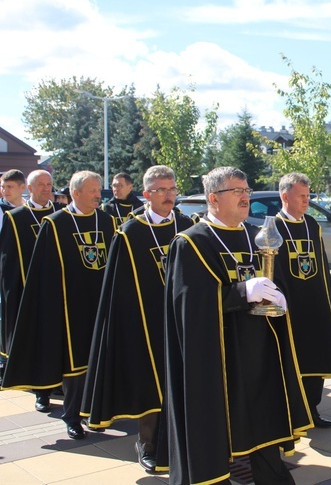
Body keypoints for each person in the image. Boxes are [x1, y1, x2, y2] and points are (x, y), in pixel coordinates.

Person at [163, 166, 311, 484]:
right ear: (214, 198)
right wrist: (243, 292)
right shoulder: (190, 243)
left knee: (265, 427)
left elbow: (272, 280)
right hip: (219, 359)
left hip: (259, 353)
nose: (246, 197)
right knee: (218, 436)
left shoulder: (256, 234)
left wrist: (280, 297)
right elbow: (191, 306)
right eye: (238, 192)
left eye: (247, 191)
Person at [81, 166, 193, 473]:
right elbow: (118, 288)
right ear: (146, 194)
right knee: (151, 385)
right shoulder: (130, 233)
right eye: (161, 190)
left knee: (181, 384)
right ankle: (147, 444)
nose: (169, 195)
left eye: (172, 188)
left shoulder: (187, 226)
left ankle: (180, 441)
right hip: (146, 322)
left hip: (182, 320)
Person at [2, 171, 116, 440]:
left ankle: (95, 411)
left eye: (99, 189)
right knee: (74, 365)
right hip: (70, 305)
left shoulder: (107, 221)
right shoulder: (55, 224)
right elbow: (44, 271)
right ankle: (72, 415)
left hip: (100, 301)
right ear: (76, 193)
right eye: (92, 190)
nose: (99, 194)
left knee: (97, 360)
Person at [274, 172, 331, 428]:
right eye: (302, 196)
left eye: (308, 196)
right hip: (291, 307)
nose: (307, 201)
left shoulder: (312, 224)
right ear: (285, 197)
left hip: (316, 305)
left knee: (317, 360)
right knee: (293, 362)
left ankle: (312, 409)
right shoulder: (271, 228)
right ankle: (293, 415)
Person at [0, 170, 62, 410]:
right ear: (29, 187)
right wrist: (12, 297)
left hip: (57, 292)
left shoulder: (61, 215)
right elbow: (8, 263)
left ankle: (58, 384)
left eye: (49, 184)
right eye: (40, 185)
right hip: (29, 292)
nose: (46, 189)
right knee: (36, 343)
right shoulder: (16, 218)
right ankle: (41, 392)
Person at [0, 169, 27, 234]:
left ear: (22, 187)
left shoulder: (30, 207)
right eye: (3, 187)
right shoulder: (1, 209)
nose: (5, 191)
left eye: (9, 187)